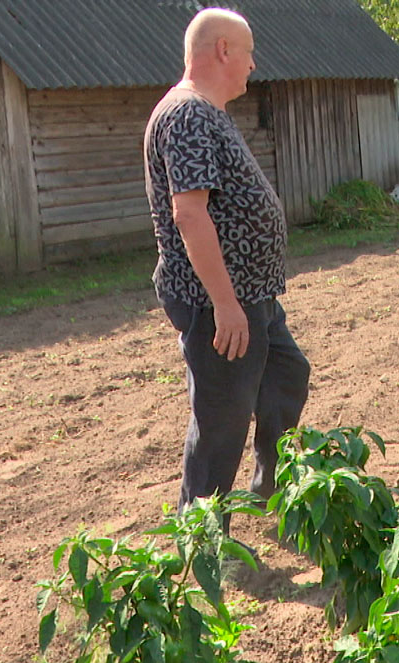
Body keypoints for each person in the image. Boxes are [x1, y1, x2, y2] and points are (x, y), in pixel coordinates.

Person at [143, 8, 310, 534]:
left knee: (286, 375)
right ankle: (202, 544)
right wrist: (224, 304)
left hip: (250, 296)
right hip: (218, 301)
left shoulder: (205, 112)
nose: (253, 64)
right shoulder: (188, 115)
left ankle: (266, 491)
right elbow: (189, 213)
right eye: (248, 52)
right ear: (222, 51)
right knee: (221, 423)